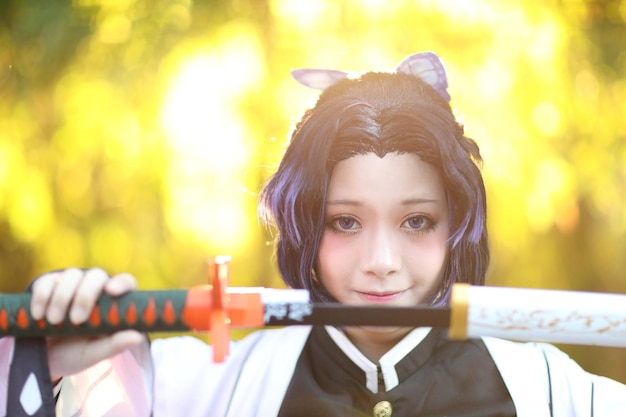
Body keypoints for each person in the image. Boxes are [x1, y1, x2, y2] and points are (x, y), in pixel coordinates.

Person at [2, 52, 626, 417]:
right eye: (344, 222)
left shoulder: (563, 396)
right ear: (304, 225)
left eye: (417, 222)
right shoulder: (190, 390)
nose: (381, 262)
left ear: (457, 226)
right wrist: (49, 365)